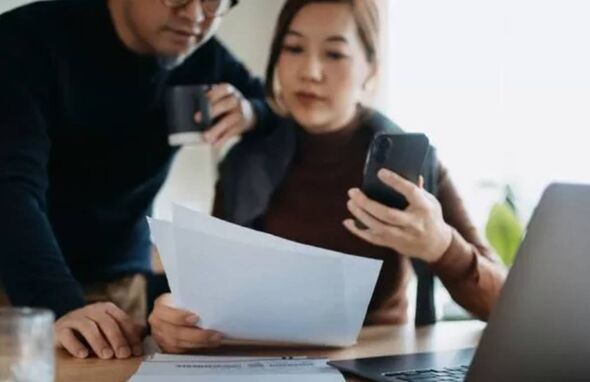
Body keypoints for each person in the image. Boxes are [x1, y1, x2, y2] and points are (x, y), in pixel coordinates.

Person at [148, 0, 507, 354]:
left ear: (371, 69)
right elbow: (208, 294)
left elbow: (503, 305)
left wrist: (442, 246)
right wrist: (175, 317)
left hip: (377, 362)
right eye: (293, 48)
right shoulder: (245, 162)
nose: (310, 71)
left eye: (334, 54)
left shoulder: (410, 164)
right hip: (273, 366)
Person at [0, 0, 276, 360]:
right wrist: (58, 305)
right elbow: (11, 188)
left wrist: (251, 112)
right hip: (16, 282)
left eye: (214, 2)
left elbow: (272, 104)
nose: (194, 17)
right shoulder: (25, 40)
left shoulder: (203, 57)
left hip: (121, 286)